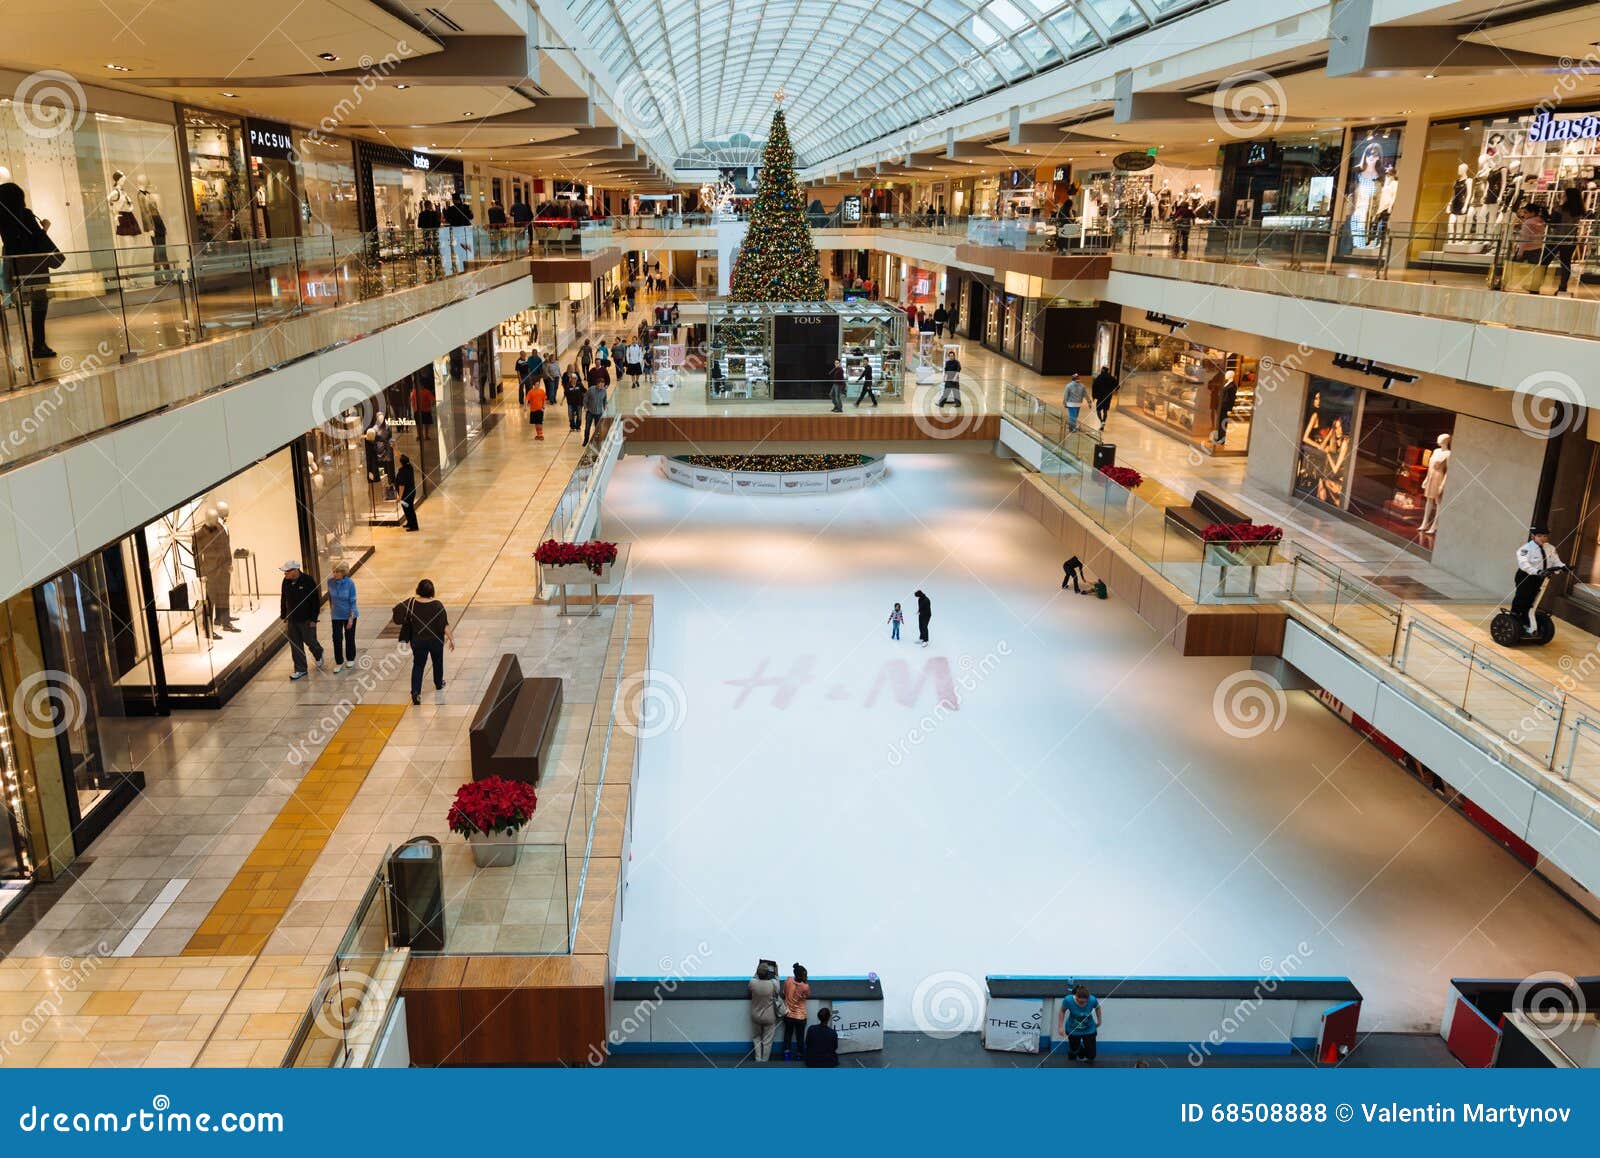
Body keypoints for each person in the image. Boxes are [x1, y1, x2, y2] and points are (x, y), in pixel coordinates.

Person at [0, 182, 59, 359]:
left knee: (17, 304)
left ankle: (22, 349)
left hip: (13, 264)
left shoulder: (2, 217)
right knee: (39, 302)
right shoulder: (25, 214)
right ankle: (38, 345)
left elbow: (13, 242)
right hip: (33, 264)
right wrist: (45, 228)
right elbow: (34, 240)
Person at [400, 579, 453, 705]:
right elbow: (444, 625)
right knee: (437, 662)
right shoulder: (437, 605)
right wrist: (451, 639)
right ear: (432, 591)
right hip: (435, 640)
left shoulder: (412, 603)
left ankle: (415, 692)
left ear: (418, 589)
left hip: (418, 641)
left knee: (418, 665)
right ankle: (438, 683)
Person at [1512, 525, 1565, 635]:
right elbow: (1524, 564)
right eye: (1539, 536)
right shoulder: (1526, 549)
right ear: (1533, 536)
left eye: (1545, 536)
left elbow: (1556, 561)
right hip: (1526, 576)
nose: (1542, 538)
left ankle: (1527, 620)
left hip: (1541, 577)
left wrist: (1563, 567)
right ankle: (1515, 617)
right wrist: (1537, 571)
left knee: (1533, 599)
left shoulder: (1550, 548)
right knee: (1522, 597)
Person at [278, 561, 324, 680]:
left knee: (310, 641)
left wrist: (314, 619)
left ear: (295, 571)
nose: (285, 574)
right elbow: (283, 598)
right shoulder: (285, 582)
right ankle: (300, 669)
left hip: (307, 619)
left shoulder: (308, 581)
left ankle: (318, 653)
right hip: (292, 620)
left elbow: (315, 601)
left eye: (287, 572)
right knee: (295, 645)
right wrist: (284, 615)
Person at [1541, 188, 1584, 295]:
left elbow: (1552, 223)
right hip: (1570, 239)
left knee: (1544, 262)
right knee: (1565, 264)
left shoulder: (1560, 209)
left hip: (1556, 238)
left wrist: (1544, 215)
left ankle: (1536, 284)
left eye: (1564, 194)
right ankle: (1563, 286)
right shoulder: (1579, 210)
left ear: (1567, 196)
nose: (1562, 196)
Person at [1058, 984, 1102, 1063]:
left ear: (1088, 998)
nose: (1082, 1004)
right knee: (1075, 1049)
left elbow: (1098, 1008)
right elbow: (1062, 1011)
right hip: (1073, 1028)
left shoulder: (1092, 1000)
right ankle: (1076, 1052)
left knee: (1091, 1055)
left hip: (1089, 1029)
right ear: (1076, 997)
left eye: (1084, 1002)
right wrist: (1060, 1027)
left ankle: (1086, 1054)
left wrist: (1099, 1020)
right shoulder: (1068, 1000)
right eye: (1080, 1002)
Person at [748, 961, 782, 1063]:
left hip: (755, 1016)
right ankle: (764, 1060)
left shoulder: (753, 983)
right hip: (769, 1016)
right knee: (767, 1041)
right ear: (768, 973)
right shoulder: (773, 984)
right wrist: (776, 973)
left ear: (758, 972)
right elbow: (778, 989)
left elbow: (754, 979)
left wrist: (758, 969)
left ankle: (758, 1059)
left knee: (756, 1038)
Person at [326, 562, 358, 673]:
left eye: (337, 572)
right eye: (333, 571)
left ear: (343, 572)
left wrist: (350, 618)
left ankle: (350, 658)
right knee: (336, 638)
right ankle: (339, 661)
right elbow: (330, 597)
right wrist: (331, 610)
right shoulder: (330, 582)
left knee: (349, 636)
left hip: (349, 614)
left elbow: (353, 601)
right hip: (336, 615)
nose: (334, 574)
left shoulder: (350, 583)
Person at [780, 963, 810, 1061]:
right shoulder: (805, 986)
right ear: (803, 975)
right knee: (800, 1037)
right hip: (800, 1017)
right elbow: (806, 996)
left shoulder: (788, 980)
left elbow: (783, 994)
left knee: (787, 1035)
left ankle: (786, 1055)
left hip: (788, 1015)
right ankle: (799, 1055)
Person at [395, 453, 419, 532]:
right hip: (411, 492)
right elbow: (399, 456)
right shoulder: (409, 466)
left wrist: (400, 497)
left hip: (406, 495)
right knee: (406, 509)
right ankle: (409, 522)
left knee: (409, 509)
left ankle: (414, 526)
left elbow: (402, 486)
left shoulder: (403, 472)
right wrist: (395, 448)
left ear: (401, 463)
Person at [583, 371, 608, 446]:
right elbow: (585, 399)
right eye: (600, 385)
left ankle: (596, 442)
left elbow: (605, 400)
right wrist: (585, 407)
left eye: (603, 385)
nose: (601, 387)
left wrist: (605, 406)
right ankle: (585, 440)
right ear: (597, 384)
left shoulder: (604, 391)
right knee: (587, 427)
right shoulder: (591, 389)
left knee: (598, 429)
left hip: (599, 413)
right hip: (590, 412)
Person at [563, 365, 586, 431]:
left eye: (575, 378)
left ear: (577, 379)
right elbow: (566, 393)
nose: (574, 380)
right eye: (573, 378)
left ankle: (578, 427)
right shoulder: (568, 385)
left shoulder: (579, 384)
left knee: (579, 415)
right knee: (570, 415)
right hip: (570, 403)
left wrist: (585, 400)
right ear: (571, 379)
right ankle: (572, 427)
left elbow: (585, 391)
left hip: (579, 402)